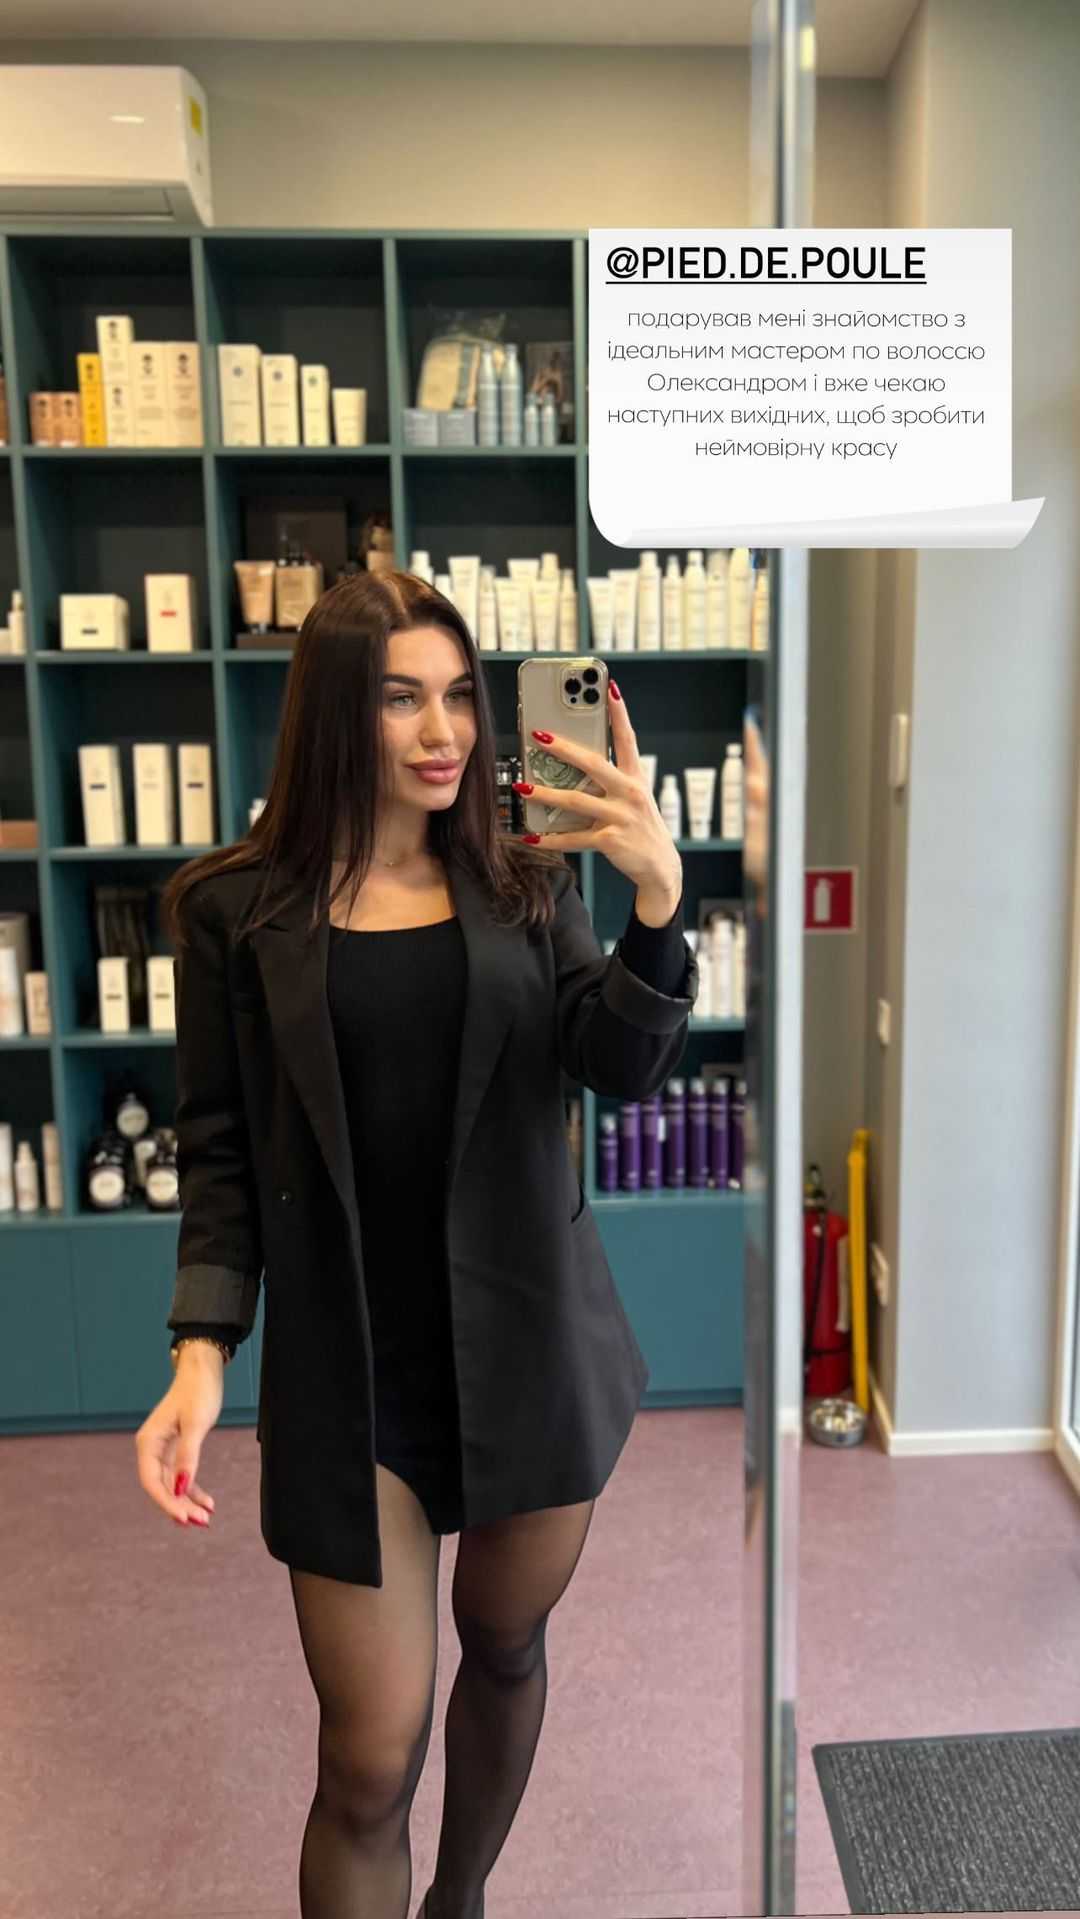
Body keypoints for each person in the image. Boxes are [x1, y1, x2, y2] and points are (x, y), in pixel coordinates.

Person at [135, 569, 698, 1919]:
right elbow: (220, 1146)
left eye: (457, 696)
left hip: (528, 1342)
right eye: (401, 700)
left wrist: (658, 909)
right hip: (353, 1370)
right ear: (336, 712)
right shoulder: (233, 912)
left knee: (504, 1646)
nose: (444, 732)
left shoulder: (524, 882)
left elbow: (616, 1064)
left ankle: (461, 1899)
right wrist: (201, 1353)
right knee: (370, 1756)